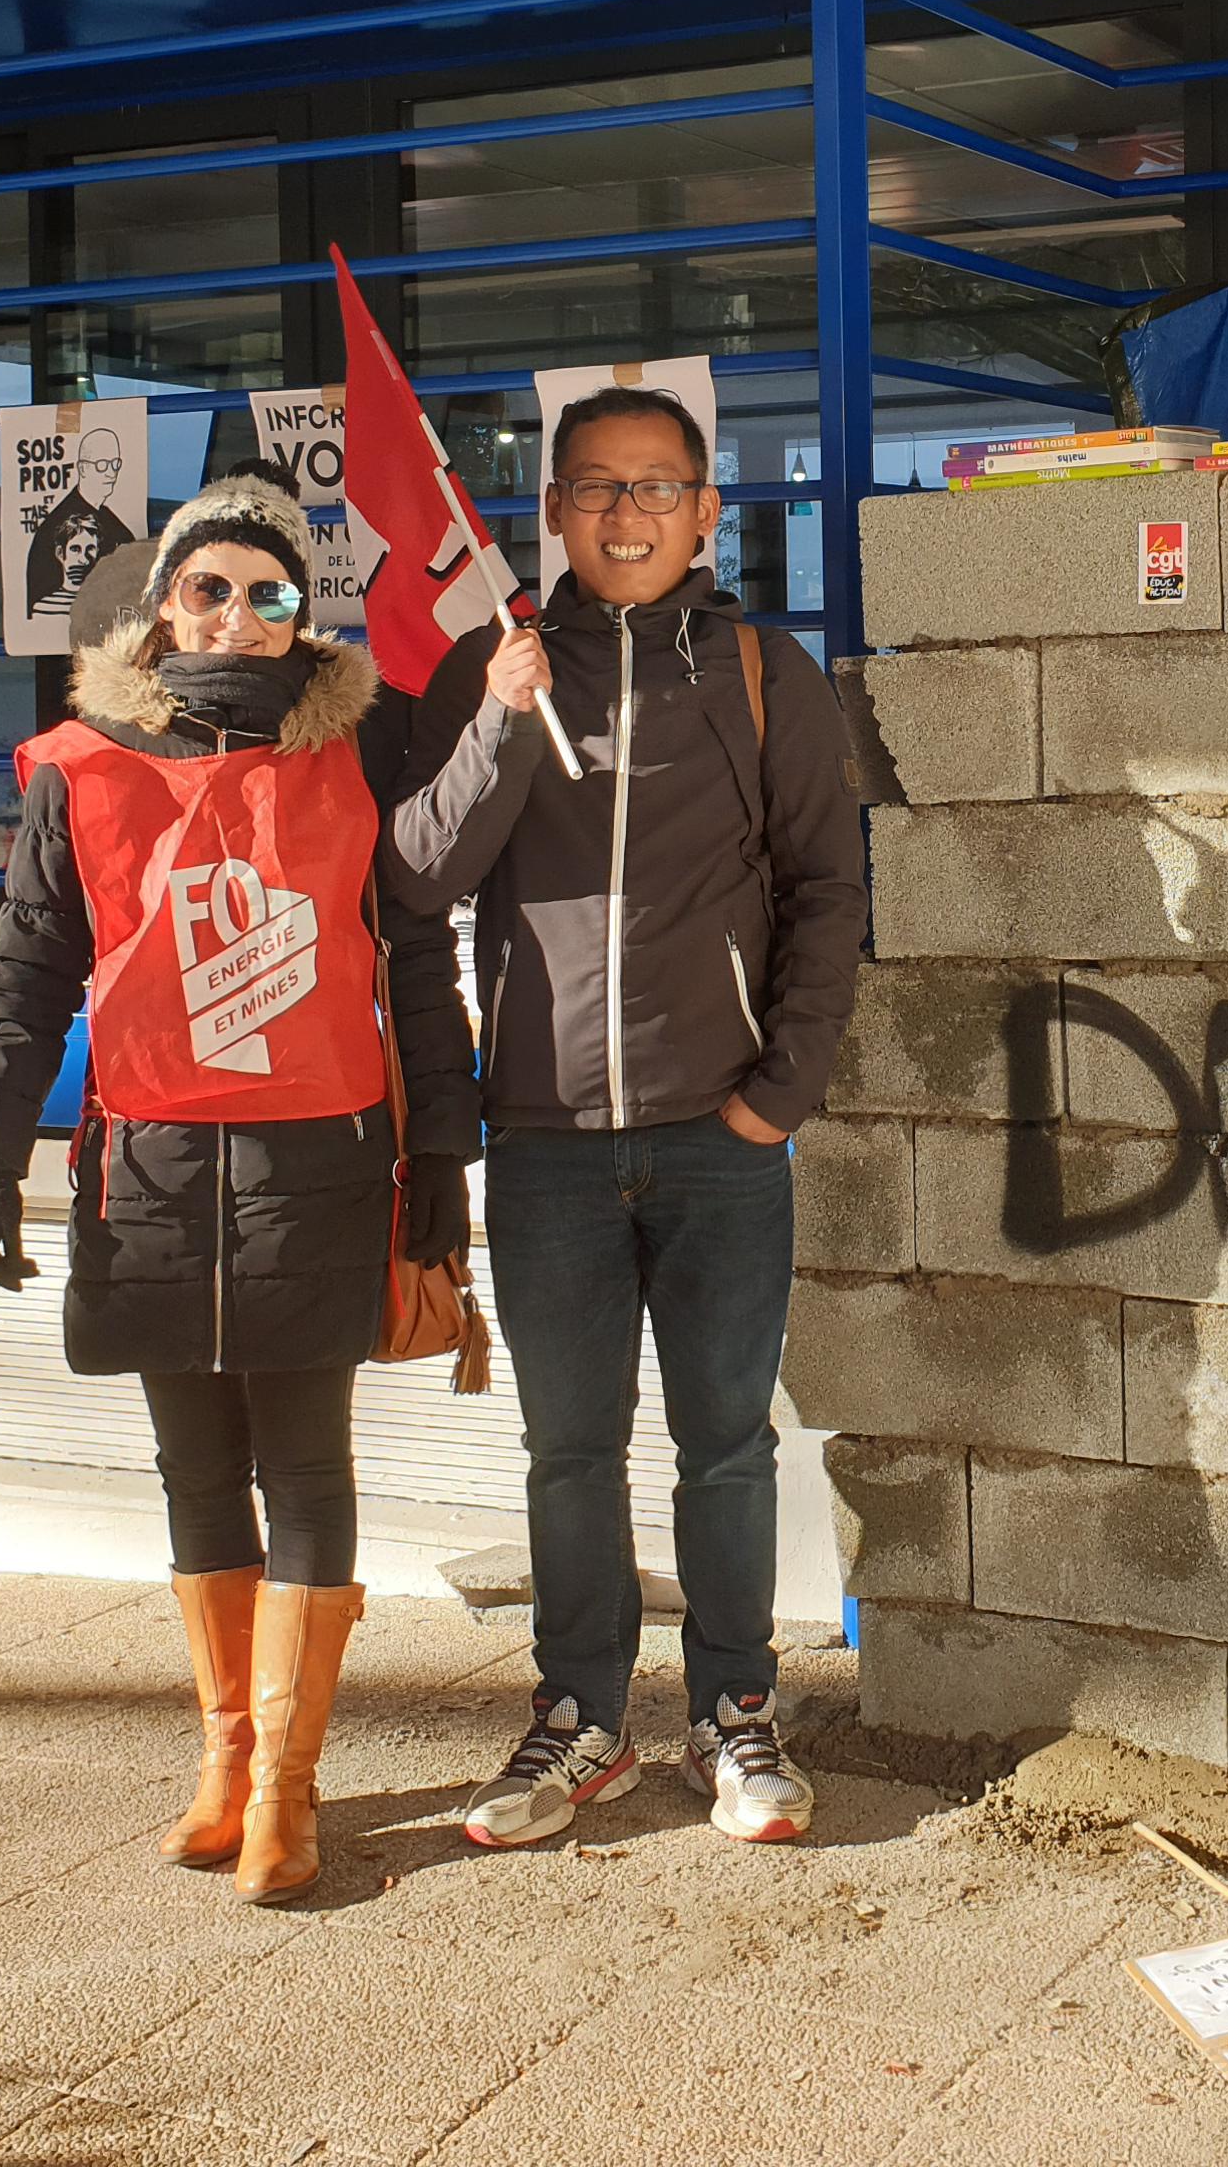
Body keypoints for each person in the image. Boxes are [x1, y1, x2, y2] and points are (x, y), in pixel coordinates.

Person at [0, 462, 479, 1903]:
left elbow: (419, 967)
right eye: (209, 588)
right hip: (156, 1169)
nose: (239, 615)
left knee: (306, 1465)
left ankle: (294, 1793)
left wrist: (443, 1155)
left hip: (324, 1165)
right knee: (195, 1469)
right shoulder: (84, 769)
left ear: (303, 615)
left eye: (270, 593)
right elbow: (29, 976)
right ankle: (225, 1761)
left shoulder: (367, 761)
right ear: (162, 604)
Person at [385, 385, 865, 1848]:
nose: (627, 512)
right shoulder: (491, 665)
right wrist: (501, 725)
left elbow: (831, 895)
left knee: (727, 1445)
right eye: (596, 487)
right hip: (544, 1146)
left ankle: (734, 1713)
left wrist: (775, 1098)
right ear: (556, 511)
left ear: (707, 512)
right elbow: (414, 881)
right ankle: (579, 1722)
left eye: (657, 486)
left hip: (717, 1138)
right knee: (567, 1452)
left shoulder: (764, 672)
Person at [20, 421, 132, 620]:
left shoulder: (115, 525)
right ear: (82, 469)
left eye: (116, 464)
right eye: (102, 465)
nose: (111, 472)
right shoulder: (57, 528)